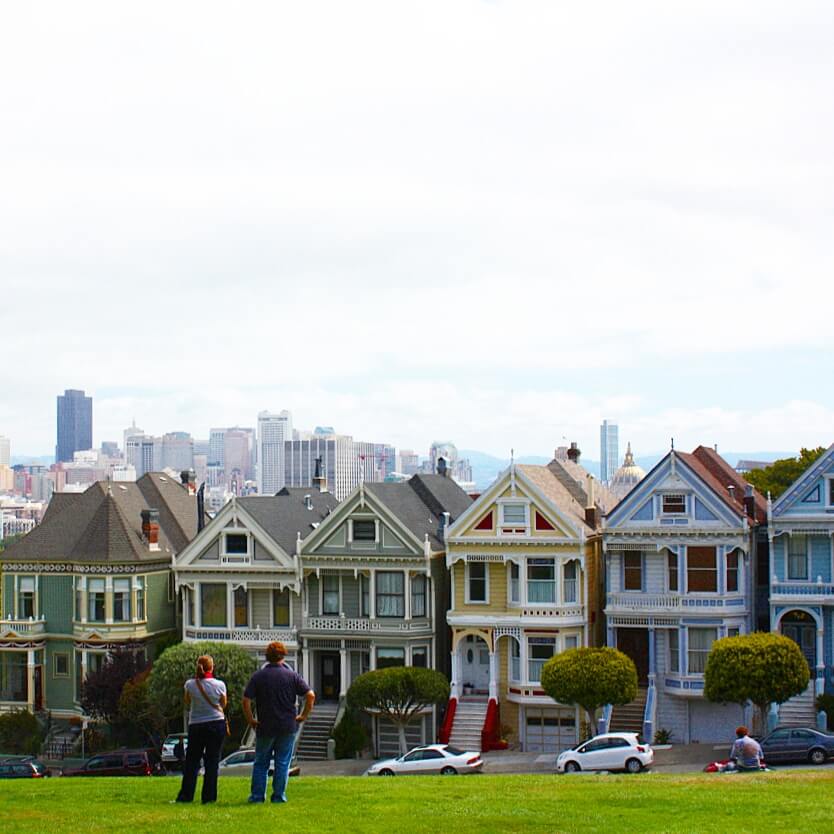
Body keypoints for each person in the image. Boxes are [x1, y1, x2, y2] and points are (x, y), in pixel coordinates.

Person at [243, 640, 315, 804]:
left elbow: (246, 700)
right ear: (283, 656)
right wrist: (303, 715)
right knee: (282, 763)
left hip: (265, 725)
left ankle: (257, 797)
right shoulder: (292, 676)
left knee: (261, 763)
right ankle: (278, 796)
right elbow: (310, 695)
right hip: (287, 726)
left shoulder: (259, 676)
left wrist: (251, 720)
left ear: (267, 657)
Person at [175, 654, 228, 804]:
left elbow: (187, 701)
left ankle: (186, 795)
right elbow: (223, 704)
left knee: (192, 761)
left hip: (196, 724)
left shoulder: (190, 684)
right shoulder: (220, 685)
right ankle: (209, 797)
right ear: (212, 667)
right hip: (216, 723)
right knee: (212, 761)